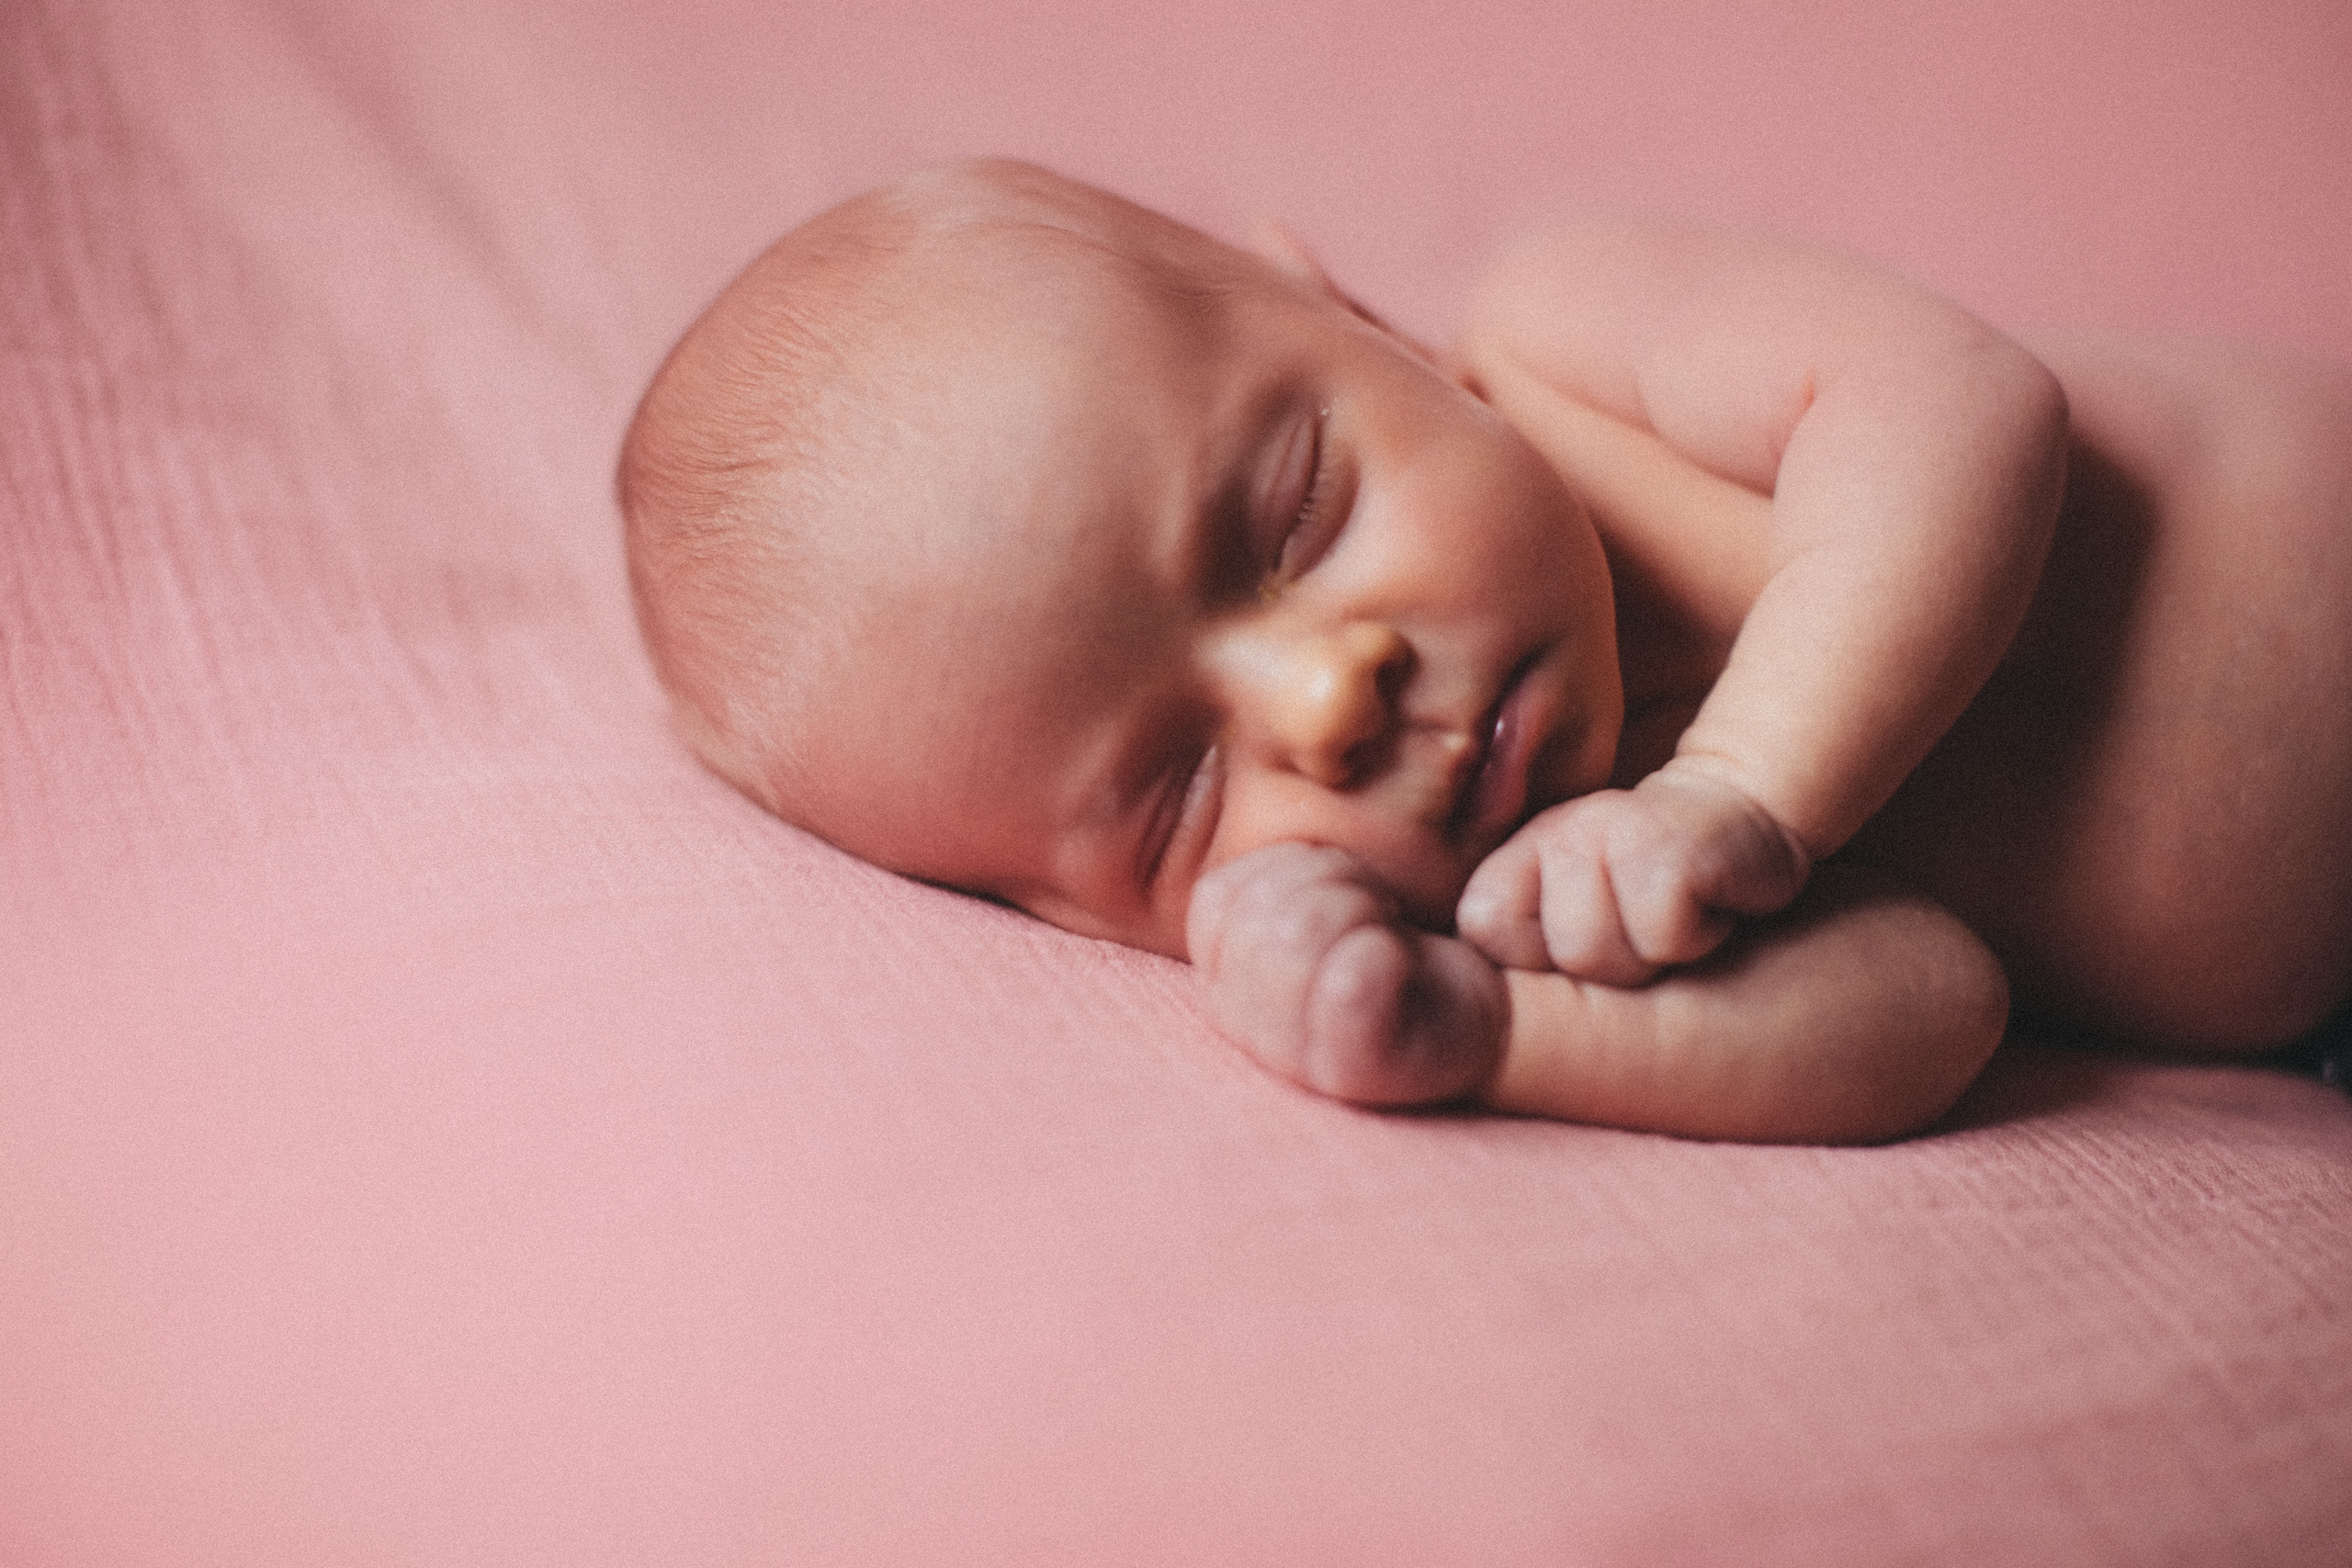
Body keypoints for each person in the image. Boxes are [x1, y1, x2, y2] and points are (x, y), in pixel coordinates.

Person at [618, 158, 2352, 1143]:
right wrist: (1478, 1026)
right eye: (1180, 794)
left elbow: (1957, 404)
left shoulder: (1564, 338)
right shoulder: (1535, 878)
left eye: (1294, 518)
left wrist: (1743, 785)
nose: (1328, 699)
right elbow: (1929, 1011)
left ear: (1347, 315)